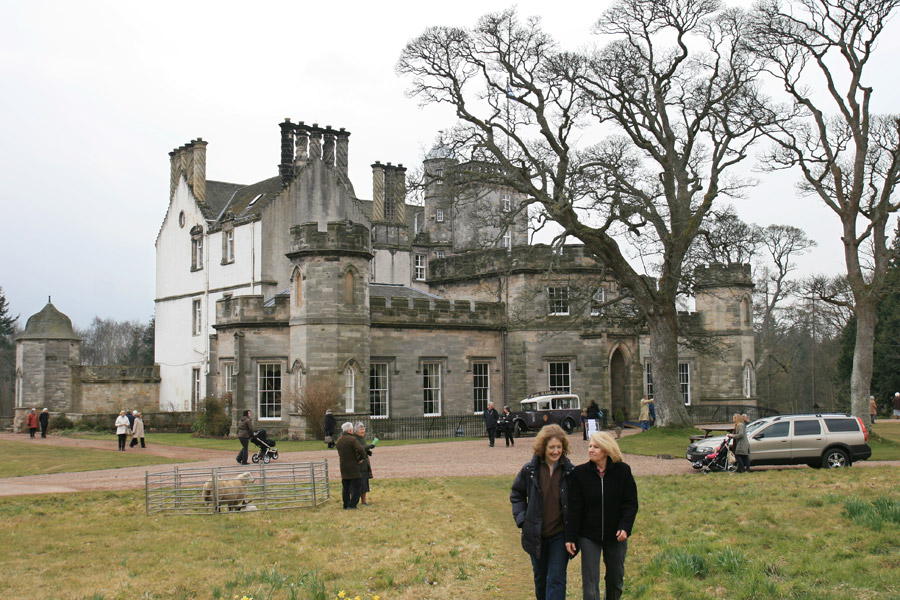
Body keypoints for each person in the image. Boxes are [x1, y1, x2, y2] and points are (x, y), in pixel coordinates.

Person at [565, 431, 638, 600]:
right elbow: (574, 509)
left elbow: (630, 503)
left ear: (606, 449)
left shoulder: (623, 471)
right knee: (590, 584)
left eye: (596, 447)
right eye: (590, 446)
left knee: (615, 580)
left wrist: (625, 527)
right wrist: (570, 536)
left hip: (616, 535)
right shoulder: (579, 473)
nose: (591, 449)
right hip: (589, 535)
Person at [510, 424, 575, 600]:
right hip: (536, 534)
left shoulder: (570, 472)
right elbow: (517, 494)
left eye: (559, 447)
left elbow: (578, 504)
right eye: (552, 447)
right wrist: (523, 519)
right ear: (543, 447)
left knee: (556, 579)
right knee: (541, 580)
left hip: (560, 536)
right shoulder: (530, 470)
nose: (555, 451)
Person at [336, 422, 366, 509]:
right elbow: (360, 449)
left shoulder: (339, 440)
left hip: (343, 466)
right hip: (353, 466)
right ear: (350, 430)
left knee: (346, 487)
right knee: (357, 486)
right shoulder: (352, 440)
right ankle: (352, 504)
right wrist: (361, 458)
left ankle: (346, 504)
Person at [355, 422, 376, 505]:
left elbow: (363, 449)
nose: (362, 431)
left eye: (363, 429)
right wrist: (369, 446)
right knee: (359, 484)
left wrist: (368, 451)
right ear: (356, 430)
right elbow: (359, 449)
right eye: (360, 429)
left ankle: (364, 501)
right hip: (359, 465)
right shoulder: (355, 439)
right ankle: (355, 501)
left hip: (365, 465)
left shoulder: (362, 438)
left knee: (365, 484)